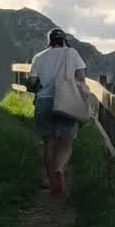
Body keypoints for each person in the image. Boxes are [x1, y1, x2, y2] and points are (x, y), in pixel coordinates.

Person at [27, 27, 87, 195]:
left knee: (48, 141)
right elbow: (80, 78)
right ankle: (59, 169)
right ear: (64, 40)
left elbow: (32, 82)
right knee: (66, 142)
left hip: (44, 101)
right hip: (66, 100)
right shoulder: (72, 53)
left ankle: (48, 179)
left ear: (49, 41)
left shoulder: (39, 57)